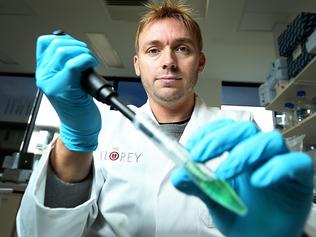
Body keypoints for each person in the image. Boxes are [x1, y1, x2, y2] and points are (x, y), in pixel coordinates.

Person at [17, 0, 314, 236]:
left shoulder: (240, 127)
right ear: (137, 65)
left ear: (200, 62)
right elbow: (40, 232)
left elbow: (289, 218)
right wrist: (74, 141)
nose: (168, 61)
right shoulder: (104, 130)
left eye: (182, 48)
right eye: (153, 50)